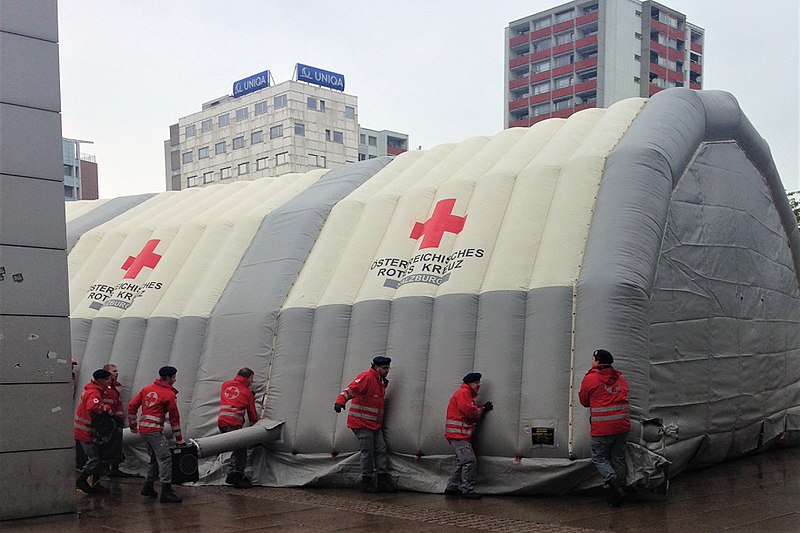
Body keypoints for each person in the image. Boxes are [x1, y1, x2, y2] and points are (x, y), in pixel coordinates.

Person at [334, 356, 396, 493]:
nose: (387, 371)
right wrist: (340, 401)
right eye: (384, 368)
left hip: (373, 424)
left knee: (380, 449)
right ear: (376, 367)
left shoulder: (380, 382)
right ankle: (366, 481)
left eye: (388, 368)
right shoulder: (367, 378)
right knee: (368, 451)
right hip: (361, 423)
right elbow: (351, 390)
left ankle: (382, 480)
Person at [579, 349, 631, 507]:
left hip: (602, 428)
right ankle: (620, 490)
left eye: (593, 358)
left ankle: (615, 487)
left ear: (598, 361)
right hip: (622, 426)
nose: (592, 361)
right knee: (618, 458)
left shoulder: (591, 378)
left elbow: (584, 401)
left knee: (599, 458)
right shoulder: (620, 378)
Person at [128, 365, 186, 503]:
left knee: (154, 457)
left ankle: (148, 486)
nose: (175, 380)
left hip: (144, 430)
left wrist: (132, 425)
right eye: (174, 377)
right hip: (154, 431)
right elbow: (174, 418)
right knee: (165, 458)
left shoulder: (147, 389)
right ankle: (166, 491)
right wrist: (179, 439)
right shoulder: (169, 395)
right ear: (170, 378)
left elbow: (132, 406)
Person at [444, 372, 493, 500]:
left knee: (462, 462)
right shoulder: (463, 393)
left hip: (459, 436)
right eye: (476, 383)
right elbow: (470, 412)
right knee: (469, 461)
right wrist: (482, 409)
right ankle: (467, 489)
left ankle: (452, 487)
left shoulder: (465, 394)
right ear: (469, 383)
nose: (479, 385)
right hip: (459, 436)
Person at [218, 367, 260, 489]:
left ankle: (230, 474)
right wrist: (255, 426)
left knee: (236, 449)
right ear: (247, 377)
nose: (252, 381)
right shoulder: (246, 392)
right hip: (233, 423)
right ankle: (238, 476)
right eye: (252, 378)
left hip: (222, 422)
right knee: (241, 450)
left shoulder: (225, 385)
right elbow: (251, 412)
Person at [74, 368, 113, 494]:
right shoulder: (94, 393)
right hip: (86, 432)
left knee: (99, 458)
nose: (109, 381)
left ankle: (96, 483)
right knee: (95, 459)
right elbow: (93, 406)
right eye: (107, 379)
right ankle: (82, 479)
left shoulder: (92, 390)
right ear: (99, 380)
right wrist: (106, 408)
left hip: (86, 430)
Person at [103, 363, 130, 477]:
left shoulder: (113, 389)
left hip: (116, 421)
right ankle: (107, 469)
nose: (117, 373)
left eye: (116, 370)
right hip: (111, 421)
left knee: (116, 446)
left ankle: (114, 468)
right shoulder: (108, 389)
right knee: (110, 446)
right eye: (114, 371)